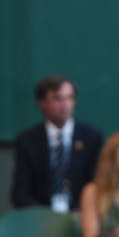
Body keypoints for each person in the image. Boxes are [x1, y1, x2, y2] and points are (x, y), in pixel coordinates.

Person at [12, 75, 102, 212]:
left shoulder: (91, 137)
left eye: (70, 98)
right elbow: (20, 193)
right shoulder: (27, 140)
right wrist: (44, 215)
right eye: (58, 98)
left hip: (81, 214)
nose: (65, 105)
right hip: (41, 218)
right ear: (42, 103)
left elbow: (96, 182)